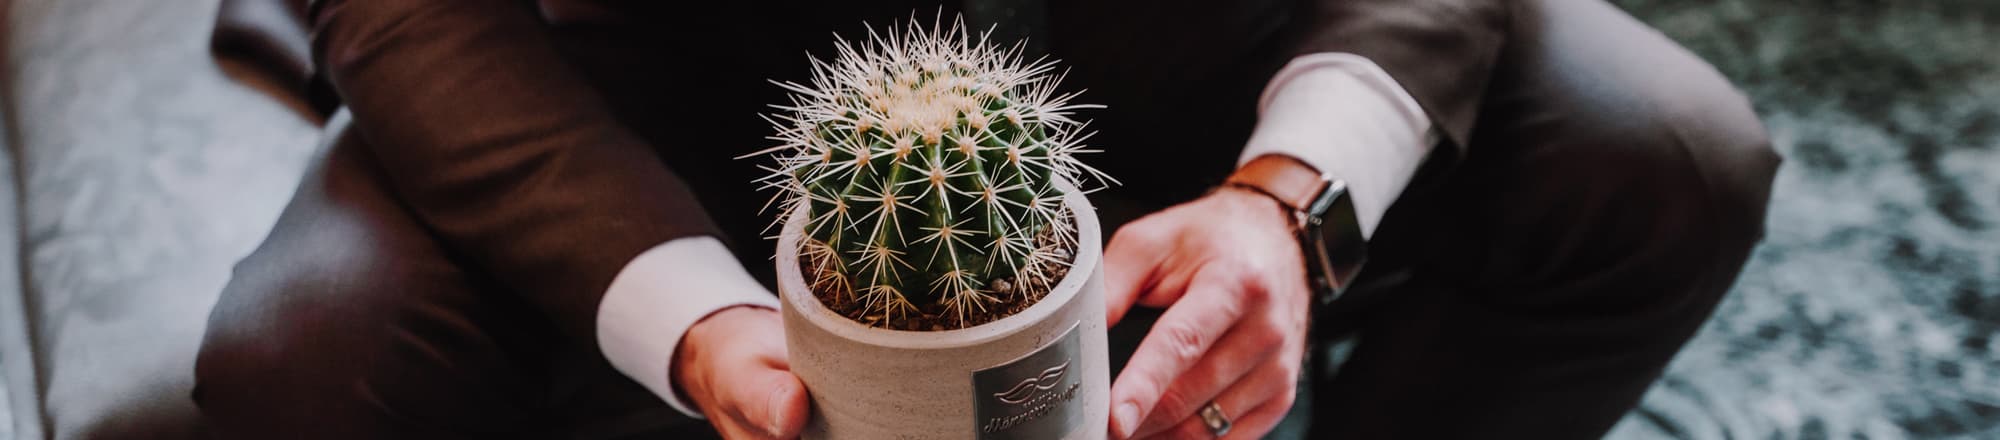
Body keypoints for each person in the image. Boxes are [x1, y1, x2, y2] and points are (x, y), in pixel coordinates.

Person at [191, 0, 1780, 438]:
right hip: (676, 58)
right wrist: (700, 317)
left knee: (1668, 158)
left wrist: (1284, 195)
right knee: (312, 365)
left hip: (1186, 32)